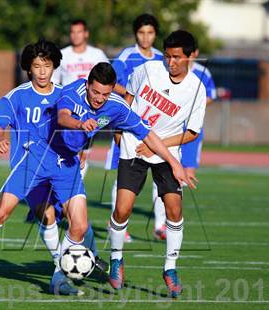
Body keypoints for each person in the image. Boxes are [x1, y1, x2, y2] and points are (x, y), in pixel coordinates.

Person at [0, 39, 103, 297]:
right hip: (30, 165)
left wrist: (81, 151)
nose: (43, 71)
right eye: (37, 66)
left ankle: (59, 277)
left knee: (69, 223)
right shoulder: (18, 96)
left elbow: (78, 128)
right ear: (29, 68)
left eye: (47, 65)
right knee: (3, 213)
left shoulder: (65, 96)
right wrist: (0, 136)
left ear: (55, 66)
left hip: (62, 167)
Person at [108, 30, 207, 299]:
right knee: (122, 209)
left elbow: (192, 133)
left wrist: (157, 142)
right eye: (168, 56)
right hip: (132, 145)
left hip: (167, 154)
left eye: (177, 57)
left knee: (174, 210)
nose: (171, 62)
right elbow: (128, 97)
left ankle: (170, 268)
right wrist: (119, 129)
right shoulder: (148, 69)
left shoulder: (196, 89)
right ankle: (116, 259)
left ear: (190, 57)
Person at [105, 13, 163, 243]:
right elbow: (111, 83)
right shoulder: (127, 56)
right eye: (141, 32)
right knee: (124, 176)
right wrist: (132, 93)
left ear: (155, 34)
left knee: (160, 172)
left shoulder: (161, 58)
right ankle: (118, 226)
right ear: (135, 34)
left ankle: (160, 225)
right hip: (127, 121)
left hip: (154, 124)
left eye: (150, 33)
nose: (145, 37)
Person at [153, 45, 217, 239]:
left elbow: (211, 96)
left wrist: (193, 106)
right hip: (168, 130)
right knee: (162, 174)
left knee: (185, 175)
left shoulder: (202, 73)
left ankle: (172, 215)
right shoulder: (165, 71)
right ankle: (159, 223)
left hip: (189, 132)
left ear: (193, 54)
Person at [52, 19, 109, 179]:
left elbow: (108, 77)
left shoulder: (97, 54)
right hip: (70, 109)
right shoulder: (63, 54)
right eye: (72, 32)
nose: (75, 35)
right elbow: (55, 82)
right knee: (67, 151)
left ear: (86, 34)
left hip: (92, 108)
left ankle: (74, 186)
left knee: (84, 152)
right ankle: (64, 186)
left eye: (79, 32)